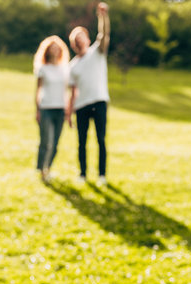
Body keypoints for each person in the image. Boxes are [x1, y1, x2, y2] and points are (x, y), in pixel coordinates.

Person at [66, 2, 110, 186]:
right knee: (82, 142)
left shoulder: (97, 53)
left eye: (81, 36)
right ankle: (83, 174)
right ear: (73, 44)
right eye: (76, 38)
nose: (79, 40)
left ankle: (101, 175)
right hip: (81, 106)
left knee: (100, 139)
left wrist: (103, 16)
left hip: (99, 102)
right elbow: (73, 91)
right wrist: (69, 113)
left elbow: (104, 35)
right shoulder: (73, 66)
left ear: (87, 38)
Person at [33, 35, 71, 182]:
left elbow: (67, 90)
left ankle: (48, 168)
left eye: (57, 48)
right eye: (52, 49)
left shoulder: (65, 69)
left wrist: (68, 108)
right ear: (47, 51)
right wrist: (37, 110)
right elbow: (37, 90)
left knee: (55, 142)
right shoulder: (43, 69)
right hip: (46, 108)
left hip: (60, 109)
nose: (54, 51)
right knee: (46, 141)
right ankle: (41, 169)